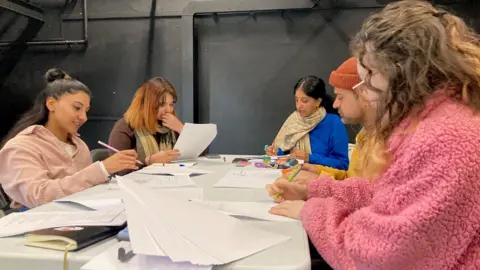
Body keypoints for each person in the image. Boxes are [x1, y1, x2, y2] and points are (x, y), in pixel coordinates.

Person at [267, 1, 480, 269]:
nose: (364, 93)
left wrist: (312, 211)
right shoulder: (436, 122)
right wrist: (312, 189)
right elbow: (384, 193)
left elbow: (382, 253)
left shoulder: (445, 137)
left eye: (367, 79)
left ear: (401, 73)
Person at [0, 69, 138, 209]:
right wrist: (102, 169)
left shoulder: (79, 145)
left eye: (86, 110)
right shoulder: (21, 146)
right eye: (77, 108)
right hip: (38, 224)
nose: (83, 117)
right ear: (51, 104)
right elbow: (39, 196)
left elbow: (84, 189)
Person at [283, 57, 375, 183]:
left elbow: (363, 192)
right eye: (296, 100)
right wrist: (316, 170)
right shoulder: (364, 136)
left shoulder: (385, 144)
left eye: (340, 97)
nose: (335, 104)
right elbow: (351, 179)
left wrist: (312, 163)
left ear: (364, 94)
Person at [265, 76, 349, 170]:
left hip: (319, 180)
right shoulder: (294, 120)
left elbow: (342, 164)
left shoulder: (334, 123)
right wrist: (275, 153)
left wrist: (309, 158)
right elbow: (286, 151)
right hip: (289, 174)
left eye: (304, 101)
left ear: (318, 101)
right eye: (297, 100)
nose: (299, 106)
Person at [108, 77, 183, 172]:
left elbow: (198, 155)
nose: (168, 110)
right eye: (161, 105)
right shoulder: (126, 127)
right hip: (135, 184)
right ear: (146, 104)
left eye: (171, 104)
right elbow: (119, 170)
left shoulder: (171, 124)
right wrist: (149, 162)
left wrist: (181, 129)